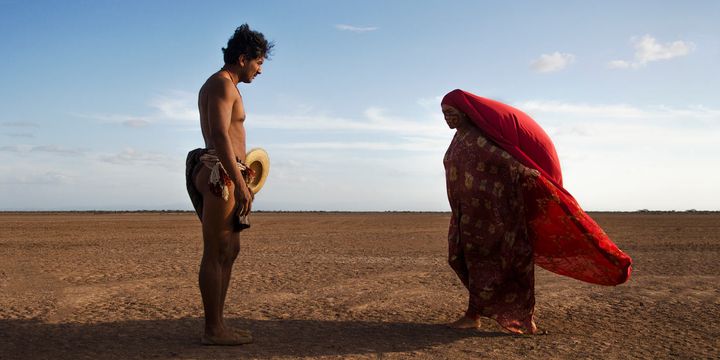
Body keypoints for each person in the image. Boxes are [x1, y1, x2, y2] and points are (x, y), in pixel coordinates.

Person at [441, 89, 632, 334]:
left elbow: (505, 160)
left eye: (450, 113)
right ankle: (476, 313)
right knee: (463, 260)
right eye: (444, 114)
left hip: (493, 218)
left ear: (465, 112)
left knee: (499, 264)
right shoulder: (458, 140)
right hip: (467, 217)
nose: (447, 118)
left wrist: (527, 172)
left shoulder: (478, 138)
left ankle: (512, 317)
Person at [185, 24, 274, 345]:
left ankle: (219, 324)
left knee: (229, 250)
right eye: (259, 63)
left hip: (226, 171)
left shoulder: (223, 85)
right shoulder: (223, 86)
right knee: (216, 252)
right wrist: (239, 182)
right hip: (220, 175)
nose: (260, 70)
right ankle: (213, 329)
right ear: (242, 58)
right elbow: (221, 135)